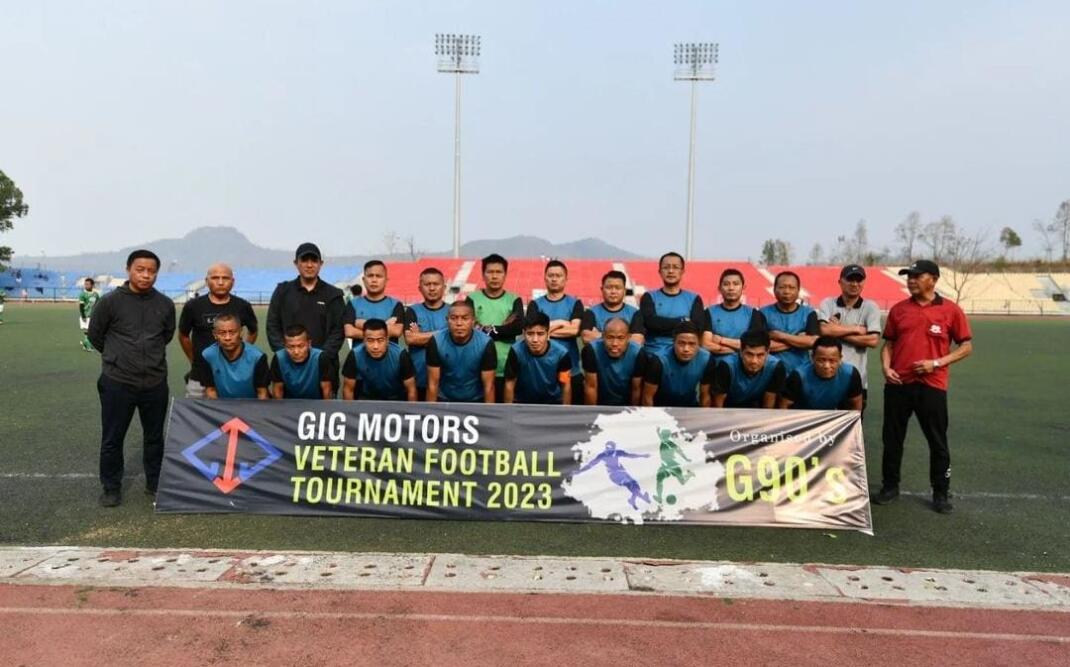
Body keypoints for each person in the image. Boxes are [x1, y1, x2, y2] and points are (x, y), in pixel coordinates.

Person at [874, 260, 973, 514]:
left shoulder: (951, 310)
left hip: (933, 385)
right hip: (898, 384)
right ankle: (890, 486)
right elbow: (889, 345)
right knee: (892, 438)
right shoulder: (898, 310)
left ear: (934, 279)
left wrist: (936, 363)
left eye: (917, 276)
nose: (911, 280)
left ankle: (941, 492)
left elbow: (966, 347)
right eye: (909, 276)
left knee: (937, 441)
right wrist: (886, 368)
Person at [87, 249, 175, 507]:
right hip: (118, 382)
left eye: (151, 271)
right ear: (128, 270)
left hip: (155, 383)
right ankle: (111, 488)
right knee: (113, 438)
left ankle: (155, 484)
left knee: (155, 438)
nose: (146, 275)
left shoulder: (165, 304)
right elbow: (95, 335)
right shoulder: (110, 302)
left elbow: (166, 335)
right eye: (140, 270)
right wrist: (117, 358)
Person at [266, 243, 345, 395]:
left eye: (314, 260)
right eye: (304, 260)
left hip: (324, 372)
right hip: (289, 373)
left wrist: (320, 360)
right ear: (296, 263)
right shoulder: (282, 291)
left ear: (321, 264)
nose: (309, 265)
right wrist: (286, 356)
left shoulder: (334, 295)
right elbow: (272, 326)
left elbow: (338, 331)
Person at [178, 263, 258, 399]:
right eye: (215, 278)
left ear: (233, 281)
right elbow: (183, 336)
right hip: (200, 375)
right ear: (206, 281)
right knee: (197, 411)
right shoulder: (193, 306)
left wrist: (241, 353)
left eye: (225, 278)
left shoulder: (242, 306)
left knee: (234, 411)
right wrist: (194, 360)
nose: (220, 282)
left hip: (233, 375)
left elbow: (253, 331)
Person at [817, 264, 882, 412]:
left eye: (859, 280)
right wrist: (857, 329)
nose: (854, 284)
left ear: (864, 282)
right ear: (840, 282)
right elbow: (824, 330)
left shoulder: (870, 307)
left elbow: (873, 340)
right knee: (824, 423)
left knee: (854, 424)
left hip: (856, 379)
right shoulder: (828, 303)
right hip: (825, 378)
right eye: (850, 279)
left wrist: (837, 329)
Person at [465, 254, 524, 400]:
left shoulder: (514, 299)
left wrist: (484, 328)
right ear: (483, 275)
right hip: (477, 363)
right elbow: (468, 328)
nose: (494, 276)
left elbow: (517, 327)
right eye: (490, 272)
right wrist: (503, 329)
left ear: (505, 274)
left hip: (507, 364)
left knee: (505, 409)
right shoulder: (472, 299)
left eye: (499, 272)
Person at [526, 260, 584, 403]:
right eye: (551, 275)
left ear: (566, 279)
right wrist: (561, 322)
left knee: (569, 412)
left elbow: (575, 329)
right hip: (541, 370)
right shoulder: (535, 304)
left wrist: (544, 331)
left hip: (571, 370)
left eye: (558, 275)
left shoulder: (575, 303)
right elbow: (531, 331)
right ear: (545, 278)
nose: (554, 279)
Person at [426, 300, 497, 403]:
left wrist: (488, 412)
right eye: (454, 318)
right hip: (444, 398)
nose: (459, 323)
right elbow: (432, 384)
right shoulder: (436, 341)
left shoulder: (486, 343)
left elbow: (489, 386)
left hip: (475, 400)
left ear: (473, 321)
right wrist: (430, 412)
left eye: (465, 318)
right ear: (447, 320)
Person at [639, 252, 706, 355]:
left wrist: (662, 325)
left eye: (675, 267)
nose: (670, 271)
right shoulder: (649, 297)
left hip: (685, 352)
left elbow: (697, 328)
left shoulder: (694, 298)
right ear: (660, 271)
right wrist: (683, 320)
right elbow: (650, 323)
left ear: (682, 271)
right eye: (666, 267)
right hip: (654, 352)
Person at [193, 314, 270, 400]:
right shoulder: (207, 356)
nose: (227, 338)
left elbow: (262, 393)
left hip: (252, 406)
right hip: (221, 406)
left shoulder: (257, 357)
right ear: (215, 334)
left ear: (241, 332)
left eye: (232, 332)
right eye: (222, 333)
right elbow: (210, 390)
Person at [641, 321, 717, 408]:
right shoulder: (658, 360)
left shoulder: (706, 359)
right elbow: (647, 397)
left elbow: (705, 395)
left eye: (692, 344)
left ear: (699, 343)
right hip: (661, 408)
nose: (686, 349)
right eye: (681, 343)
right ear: (673, 343)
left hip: (690, 407)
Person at [503, 311, 573, 405]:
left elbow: (565, 385)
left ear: (548, 334)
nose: (535, 340)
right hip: (522, 403)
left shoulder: (561, 353)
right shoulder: (516, 351)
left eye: (540, 334)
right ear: (523, 334)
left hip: (553, 402)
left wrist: (565, 411)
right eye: (530, 333)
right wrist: (509, 412)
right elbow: (509, 384)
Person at [778, 336, 864, 410]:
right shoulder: (798, 376)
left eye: (832, 361)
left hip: (834, 417)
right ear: (812, 358)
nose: (826, 366)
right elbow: (783, 406)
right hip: (802, 417)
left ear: (840, 359)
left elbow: (856, 405)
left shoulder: (850, 374)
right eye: (821, 360)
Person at [341, 319, 417, 401]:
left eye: (380, 340)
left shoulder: (401, 355)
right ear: (364, 340)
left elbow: (411, 390)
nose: (375, 346)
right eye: (370, 340)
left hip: (396, 399)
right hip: (367, 399)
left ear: (387, 340)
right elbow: (348, 390)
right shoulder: (355, 355)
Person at [760, 271, 819, 375]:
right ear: (774, 290)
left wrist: (780, 336)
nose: (787, 291)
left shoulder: (809, 313)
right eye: (782, 287)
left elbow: (813, 342)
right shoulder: (763, 313)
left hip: (802, 373)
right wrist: (799, 340)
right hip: (771, 372)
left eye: (792, 288)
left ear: (798, 291)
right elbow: (761, 346)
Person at [403, 267, 449, 401]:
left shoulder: (453, 311)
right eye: (427, 284)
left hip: (447, 382)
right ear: (420, 288)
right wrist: (445, 333)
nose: (432, 288)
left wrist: (421, 336)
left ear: (444, 287)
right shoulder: (412, 311)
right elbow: (411, 339)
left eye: (436, 284)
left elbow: (457, 338)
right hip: (418, 380)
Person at [711, 330, 786, 409]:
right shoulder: (726, 366)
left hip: (756, 408)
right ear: (741, 352)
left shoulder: (776, 367)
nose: (754, 361)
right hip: (728, 408)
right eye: (749, 354)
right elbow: (718, 406)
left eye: (760, 355)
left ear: (767, 353)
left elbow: (768, 405)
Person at [581, 317, 646, 406]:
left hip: (626, 405)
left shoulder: (638, 353)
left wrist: (633, 412)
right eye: (610, 337)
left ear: (628, 338)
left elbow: (636, 389)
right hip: (600, 403)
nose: (615, 343)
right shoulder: (591, 350)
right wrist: (592, 412)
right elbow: (591, 386)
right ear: (602, 336)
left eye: (621, 338)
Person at [703, 268, 765, 356]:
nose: (731, 288)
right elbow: (706, 344)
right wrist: (738, 349)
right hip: (716, 362)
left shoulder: (753, 314)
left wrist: (721, 340)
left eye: (736, 284)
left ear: (743, 288)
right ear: (719, 288)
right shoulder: (709, 312)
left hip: (744, 362)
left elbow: (753, 345)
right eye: (726, 284)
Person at [344, 260, 405, 344]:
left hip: (390, 352)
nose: (374, 280)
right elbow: (349, 332)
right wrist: (385, 325)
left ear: (386, 280)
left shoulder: (396, 304)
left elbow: (396, 331)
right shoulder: (353, 304)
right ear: (364, 280)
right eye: (370, 276)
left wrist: (362, 324)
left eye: (378, 276)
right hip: (359, 352)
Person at [580, 270, 645, 346]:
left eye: (618, 288)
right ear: (602, 289)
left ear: (624, 291)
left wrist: (600, 335)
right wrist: (626, 337)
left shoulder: (635, 313)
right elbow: (586, 337)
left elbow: (637, 341)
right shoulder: (591, 312)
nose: (613, 291)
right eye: (609, 288)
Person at [270, 325, 332, 399]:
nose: (296, 352)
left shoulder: (321, 358)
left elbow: (327, 390)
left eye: (301, 346)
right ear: (285, 346)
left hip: (316, 403)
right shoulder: (279, 358)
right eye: (291, 347)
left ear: (309, 344)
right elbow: (278, 390)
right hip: (288, 403)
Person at [78, 277, 101, 351]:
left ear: (92, 285)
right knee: (88, 331)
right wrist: (83, 316)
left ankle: (85, 344)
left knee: (91, 331)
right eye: (85, 284)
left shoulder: (95, 294)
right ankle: (88, 346)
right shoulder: (83, 294)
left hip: (93, 315)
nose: (86, 286)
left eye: (88, 284)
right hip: (86, 315)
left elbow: (98, 304)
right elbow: (81, 306)